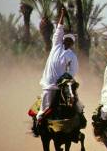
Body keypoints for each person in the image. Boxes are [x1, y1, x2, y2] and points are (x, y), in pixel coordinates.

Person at [33, 8, 81, 136]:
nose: (67, 41)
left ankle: (79, 121)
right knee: (44, 108)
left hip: (62, 85)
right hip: (49, 84)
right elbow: (59, 29)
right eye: (66, 39)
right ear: (63, 40)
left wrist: (66, 78)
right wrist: (62, 15)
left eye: (70, 41)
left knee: (75, 102)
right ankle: (38, 124)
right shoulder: (56, 45)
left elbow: (73, 71)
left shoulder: (72, 55)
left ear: (72, 43)